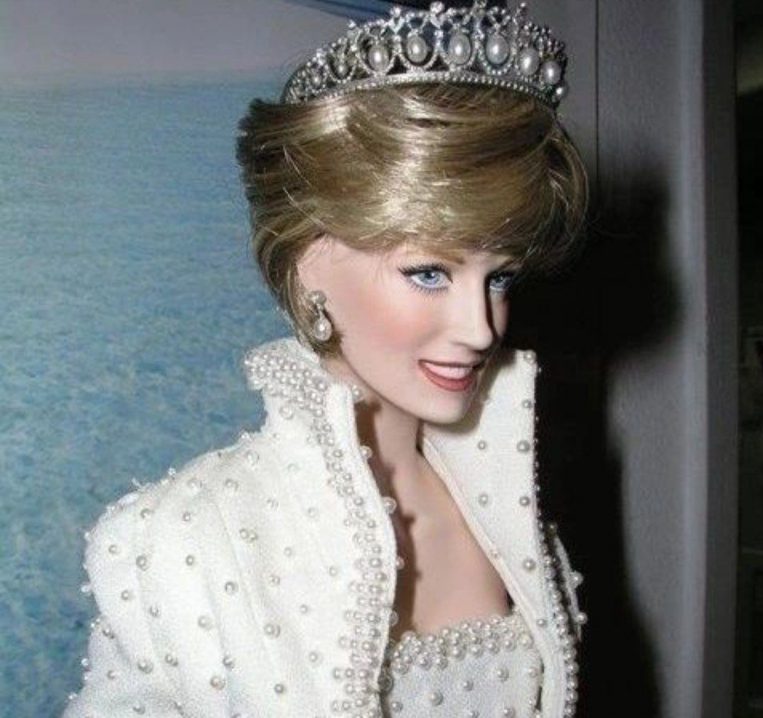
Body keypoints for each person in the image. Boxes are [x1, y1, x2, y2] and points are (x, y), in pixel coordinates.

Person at [62, 1, 589, 716]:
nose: (480, 327)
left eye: (499, 278)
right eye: (428, 272)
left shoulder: (511, 512)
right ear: (309, 267)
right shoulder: (177, 541)